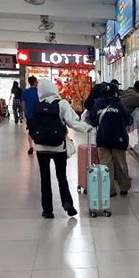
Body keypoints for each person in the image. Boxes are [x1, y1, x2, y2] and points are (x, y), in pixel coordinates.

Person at [32, 80, 92, 218]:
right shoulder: (62, 104)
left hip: (41, 147)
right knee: (61, 176)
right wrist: (87, 128)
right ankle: (67, 203)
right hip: (58, 146)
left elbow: (31, 123)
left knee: (45, 179)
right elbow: (73, 123)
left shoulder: (37, 105)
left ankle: (47, 210)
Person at [88, 82, 133, 196]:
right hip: (119, 139)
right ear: (115, 92)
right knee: (121, 165)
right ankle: (124, 188)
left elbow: (92, 121)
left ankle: (109, 190)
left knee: (106, 166)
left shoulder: (97, 105)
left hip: (103, 139)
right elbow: (129, 120)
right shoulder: (119, 104)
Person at [22, 76, 40, 155]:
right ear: (35, 82)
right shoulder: (39, 92)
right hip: (38, 115)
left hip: (29, 115)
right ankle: (38, 146)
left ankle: (30, 146)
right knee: (38, 130)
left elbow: (23, 103)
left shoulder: (25, 92)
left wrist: (25, 111)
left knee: (30, 131)